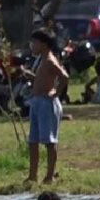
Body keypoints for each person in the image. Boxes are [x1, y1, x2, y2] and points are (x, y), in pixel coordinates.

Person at [26, 28, 69, 184]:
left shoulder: (50, 60)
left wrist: (57, 93)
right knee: (33, 141)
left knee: (50, 142)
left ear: (44, 44)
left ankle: (49, 175)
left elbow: (64, 77)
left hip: (47, 103)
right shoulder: (42, 60)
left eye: (35, 43)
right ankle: (32, 175)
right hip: (37, 101)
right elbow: (42, 78)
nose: (32, 46)